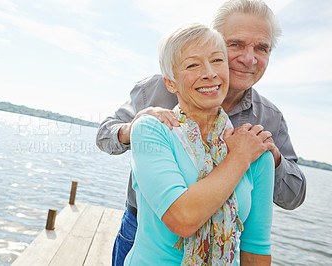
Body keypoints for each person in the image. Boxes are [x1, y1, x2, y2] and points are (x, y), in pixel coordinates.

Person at [96, 0, 307, 264]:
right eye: (237, 44)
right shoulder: (157, 89)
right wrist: (133, 129)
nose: (250, 58)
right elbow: (105, 134)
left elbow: (290, 200)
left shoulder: (269, 118)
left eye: (261, 48)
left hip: (226, 246)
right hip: (141, 228)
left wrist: (272, 157)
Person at [124, 22, 274, 265]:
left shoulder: (257, 151)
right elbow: (182, 218)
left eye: (217, 61)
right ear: (171, 83)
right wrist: (238, 157)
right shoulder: (152, 131)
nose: (210, 73)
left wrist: (246, 152)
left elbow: (256, 247)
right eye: (193, 65)